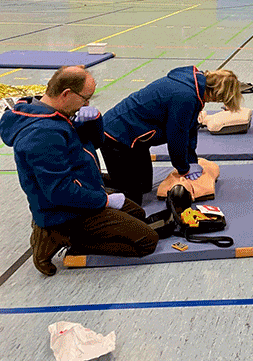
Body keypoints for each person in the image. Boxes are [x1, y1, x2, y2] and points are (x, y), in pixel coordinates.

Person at [1, 66, 158, 276]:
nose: (87, 104)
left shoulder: (53, 112)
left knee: (138, 213)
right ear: (66, 94)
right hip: (65, 211)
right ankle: (60, 236)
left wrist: (94, 122)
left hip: (83, 192)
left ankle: (65, 230)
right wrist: (104, 201)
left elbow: (95, 142)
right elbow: (60, 192)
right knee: (147, 241)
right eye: (85, 98)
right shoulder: (42, 134)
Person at [101, 66, 242, 205]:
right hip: (116, 137)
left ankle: (116, 179)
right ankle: (97, 186)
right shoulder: (185, 96)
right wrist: (183, 168)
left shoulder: (195, 88)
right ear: (216, 93)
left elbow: (190, 129)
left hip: (137, 139)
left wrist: (192, 161)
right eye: (220, 100)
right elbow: (176, 137)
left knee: (144, 186)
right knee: (132, 201)